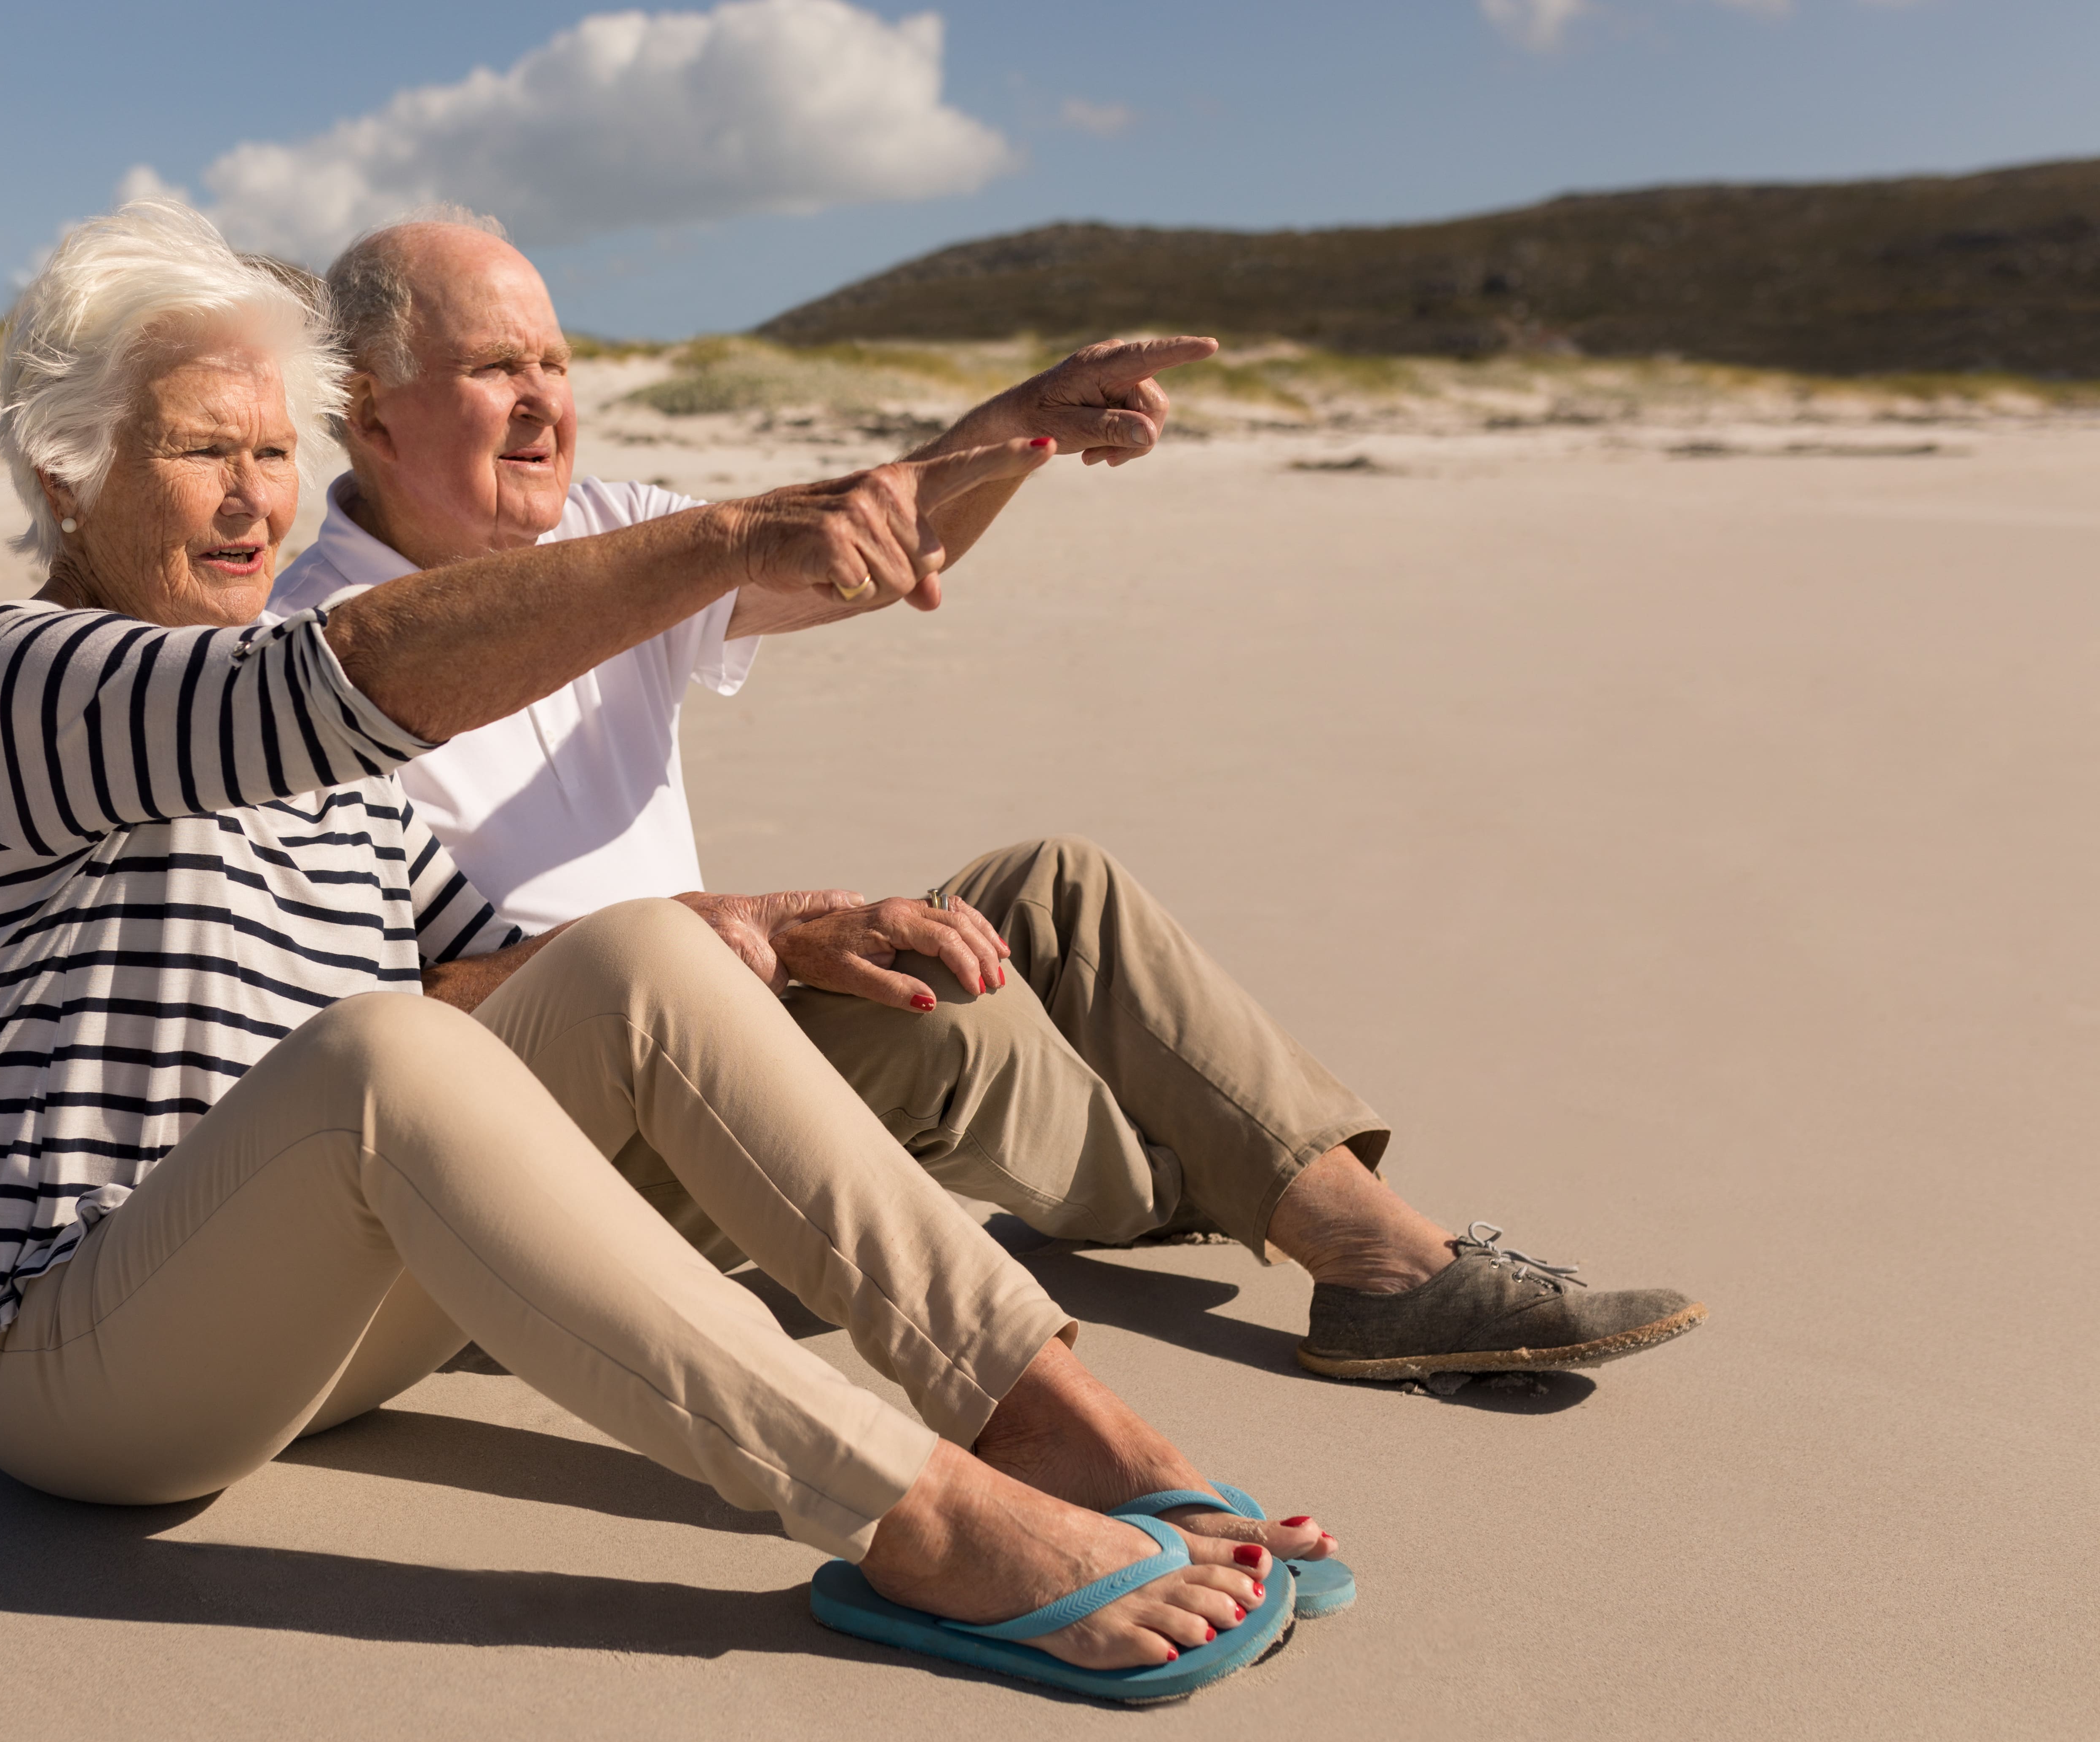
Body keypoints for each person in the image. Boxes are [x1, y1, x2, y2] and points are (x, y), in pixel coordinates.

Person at [0, 200, 1336, 1697]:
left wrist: (764, 930)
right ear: (68, 478)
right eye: (204, 453)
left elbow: (497, 979)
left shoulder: (331, 779)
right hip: (77, 1368)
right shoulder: (19, 679)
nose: (257, 502)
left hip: (312, 1339)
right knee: (381, 1052)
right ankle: (921, 1517)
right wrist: (729, 538)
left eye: (273, 455)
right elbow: (350, 680)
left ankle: (1044, 1412)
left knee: (636, 956)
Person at [270, 211, 1706, 1385]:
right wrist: (726, 936)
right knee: (953, 1007)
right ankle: (1227, 1181)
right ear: (365, 411)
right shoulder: (296, 665)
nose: (544, 405)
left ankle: (1370, 1252)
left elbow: (847, 547)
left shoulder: (611, 537)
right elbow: (356, 1025)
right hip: (550, 1155)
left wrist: (1020, 429)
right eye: (493, 370)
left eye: (556, 364)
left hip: (722, 1011)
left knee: (1049, 891)